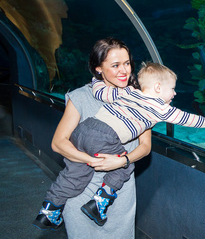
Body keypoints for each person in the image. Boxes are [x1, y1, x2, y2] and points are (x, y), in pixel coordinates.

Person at [33, 43, 205, 230]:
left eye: (127, 64)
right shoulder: (162, 110)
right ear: (158, 88)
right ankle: (99, 203)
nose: (175, 94)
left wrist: (95, 80)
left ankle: (49, 210)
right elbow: (188, 119)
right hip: (107, 137)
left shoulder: (127, 93)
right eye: (172, 89)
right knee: (123, 166)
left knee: (72, 175)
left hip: (84, 130)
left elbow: (101, 92)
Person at [32, 38, 152, 237]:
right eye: (115, 65)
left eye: (127, 63)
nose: (124, 71)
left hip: (118, 190)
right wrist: (93, 161)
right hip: (80, 189)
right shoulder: (80, 97)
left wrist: (122, 160)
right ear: (98, 68)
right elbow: (58, 142)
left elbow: (145, 146)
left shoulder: (140, 100)